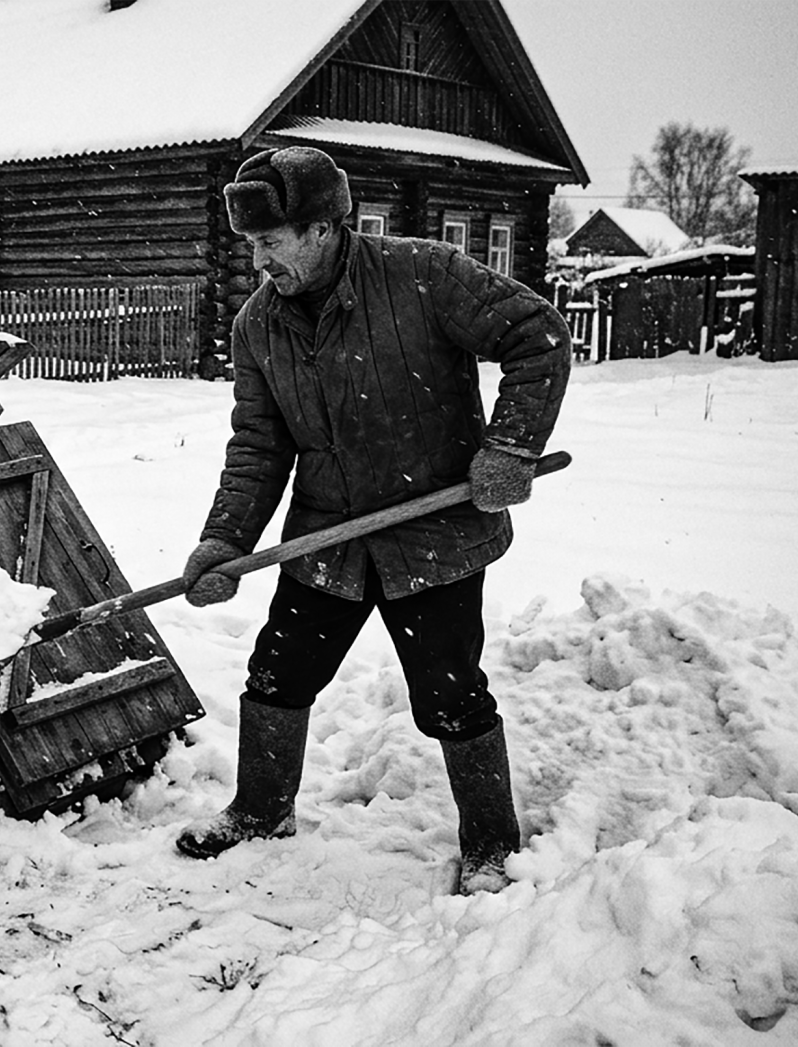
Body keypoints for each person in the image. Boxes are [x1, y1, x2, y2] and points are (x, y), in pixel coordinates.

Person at [176, 146, 569, 894]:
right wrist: (226, 539)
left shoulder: (424, 275)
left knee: (451, 695)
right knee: (275, 676)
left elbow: (539, 336)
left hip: (434, 537)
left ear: (323, 227)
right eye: (250, 244)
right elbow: (260, 444)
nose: (258, 261)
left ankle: (491, 843)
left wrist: (511, 445)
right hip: (330, 540)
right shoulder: (260, 328)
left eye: (270, 242)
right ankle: (261, 811)